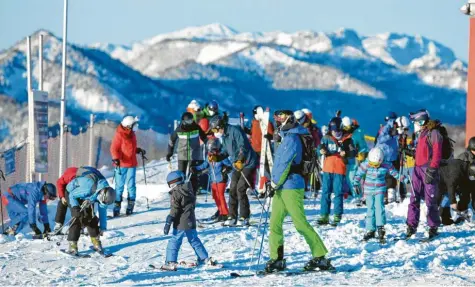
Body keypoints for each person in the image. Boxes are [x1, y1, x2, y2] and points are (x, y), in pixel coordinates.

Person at [264, 113, 333, 273]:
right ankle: (276, 258)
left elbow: (285, 163)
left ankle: (320, 256)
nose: (278, 123)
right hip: (281, 186)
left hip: (291, 185)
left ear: (288, 121)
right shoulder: (285, 137)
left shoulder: (292, 139)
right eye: (277, 120)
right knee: (275, 222)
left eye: (280, 120)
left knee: (300, 223)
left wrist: (274, 183)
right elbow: (278, 163)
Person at [161, 171, 219, 271]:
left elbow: (175, 209)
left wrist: (169, 219)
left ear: (173, 182)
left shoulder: (176, 193)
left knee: (174, 241)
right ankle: (204, 258)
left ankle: (171, 262)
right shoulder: (189, 189)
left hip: (181, 222)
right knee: (194, 240)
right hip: (191, 220)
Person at [209, 115, 257, 226]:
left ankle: (244, 216)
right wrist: (217, 157)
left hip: (248, 162)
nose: (215, 132)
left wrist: (240, 159)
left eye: (215, 129)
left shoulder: (235, 131)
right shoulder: (225, 136)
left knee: (240, 188)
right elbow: (226, 152)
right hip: (237, 164)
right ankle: (232, 216)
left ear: (220, 126)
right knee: (232, 188)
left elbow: (242, 146)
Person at [353, 147, 407, 241]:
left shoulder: (386, 165)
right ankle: (370, 230)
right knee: (370, 209)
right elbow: (358, 174)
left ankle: (380, 227)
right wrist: (355, 184)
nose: (374, 166)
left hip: (380, 189)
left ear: (381, 161)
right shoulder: (366, 164)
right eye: (372, 164)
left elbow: (395, 173)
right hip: (368, 190)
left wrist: (404, 179)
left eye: (376, 165)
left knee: (379, 207)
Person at [406, 109, 443, 240]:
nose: (414, 124)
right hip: (417, 168)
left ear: (421, 121)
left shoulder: (434, 133)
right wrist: (411, 152)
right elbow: (421, 151)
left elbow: (437, 154)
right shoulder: (420, 133)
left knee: (430, 200)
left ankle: (433, 227)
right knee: (414, 198)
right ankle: (411, 226)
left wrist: (432, 170)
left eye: (415, 122)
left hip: (428, 169)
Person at [66, 167, 115, 255]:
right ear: (101, 194)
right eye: (102, 201)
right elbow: (72, 195)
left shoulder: (105, 192)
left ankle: (96, 241)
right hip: (73, 192)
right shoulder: (88, 188)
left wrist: (103, 227)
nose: (102, 203)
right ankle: (72, 245)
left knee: (91, 217)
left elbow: (102, 210)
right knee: (77, 217)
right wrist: (75, 208)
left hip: (89, 196)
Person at [317, 117, 356, 226]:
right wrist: (320, 151)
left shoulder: (347, 139)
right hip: (327, 168)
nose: (336, 133)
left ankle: (337, 215)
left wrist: (346, 154)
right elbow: (318, 149)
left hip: (339, 168)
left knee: (338, 192)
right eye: (333, 131)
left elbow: (353, 152)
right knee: (325, 192)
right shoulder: (326, 138)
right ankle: (324, 215)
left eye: (338, 131)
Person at [110, 115, 146, 217]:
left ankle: (130, 206)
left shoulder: (132, 134)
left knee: (131, 185)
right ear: (128, 126)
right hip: (121, 164)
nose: (136, 126)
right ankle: (117, 207)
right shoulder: (120, 135)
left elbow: (130, 148)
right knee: (119, 186)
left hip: (131, 164)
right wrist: (116, 158)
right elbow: (114, 148)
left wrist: (137, 150)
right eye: (134, 125)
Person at [191, 139, 232, 222]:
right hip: (213, 180)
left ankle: (225, 214)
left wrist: (226, 169)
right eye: (210, 150)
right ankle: (220, 211)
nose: (212, 152)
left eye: (213, 150)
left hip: (221, 179)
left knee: (220, 196)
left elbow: (229, 165)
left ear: (217, 148)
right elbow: (204, 165)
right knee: (215, 196)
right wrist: (195, 168)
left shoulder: (221, 156)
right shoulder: (209, 156)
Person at [167, 112, 208, 194]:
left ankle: (193, 193)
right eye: (188, 121)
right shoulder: (179, 129)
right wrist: (170, 152)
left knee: (194, 175)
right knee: (181, 174)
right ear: (183, 121)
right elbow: (172, 140)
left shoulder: (196, 127)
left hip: (195, 155)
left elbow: (204, 137)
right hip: (183, 154)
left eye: (192, 120)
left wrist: (209, 146)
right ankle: (180, 193)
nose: (191, 122)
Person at [244, 105, 274, 192]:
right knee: (252, 169)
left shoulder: (267, 123)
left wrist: (269, 136)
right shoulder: (253, 122)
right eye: (254, 113)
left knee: (264, 170)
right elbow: (252, 133)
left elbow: (272, 135)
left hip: (263, 150)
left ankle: (265, 188)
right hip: (254, 150)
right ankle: (252, 187)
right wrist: (246, 130)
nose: (255, 115)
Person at [438, 160, 475, 225]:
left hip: (452, 180)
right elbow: (451, 186)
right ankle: (442, 216)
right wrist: (453, 202)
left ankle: (461, 213)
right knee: (447, 196)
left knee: (464, 192)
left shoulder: (466, 169)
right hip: (440, 179)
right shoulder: (456, 172)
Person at [342, 116, 368, 200]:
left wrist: (362, 153)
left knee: (353, 177)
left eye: (349, 127)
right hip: (345, 157)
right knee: (347, 177)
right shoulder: (341, 132)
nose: (348, 129)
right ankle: (349, 193)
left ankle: (358, 196)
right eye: (346, 127)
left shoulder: (357, 133)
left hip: (354, 158)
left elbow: (362, 145)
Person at [375, 114, 399, 204]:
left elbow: (396, 142)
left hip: (392, 156)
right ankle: (384, 196)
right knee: (385, 177)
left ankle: (391, 196)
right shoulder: (386, 128)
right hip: (385, 156)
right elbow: (380, 140)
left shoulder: (396, 129)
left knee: (392, 177)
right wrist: (390, 135)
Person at [53, 166, 78, 233]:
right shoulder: (67, 178)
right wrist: (62, 197)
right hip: (66, 187)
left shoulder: (83, 181)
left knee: (79, 205)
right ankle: (58, 224)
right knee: (62, 203)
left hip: (80, 190)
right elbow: (59, 183)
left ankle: (80, 225)